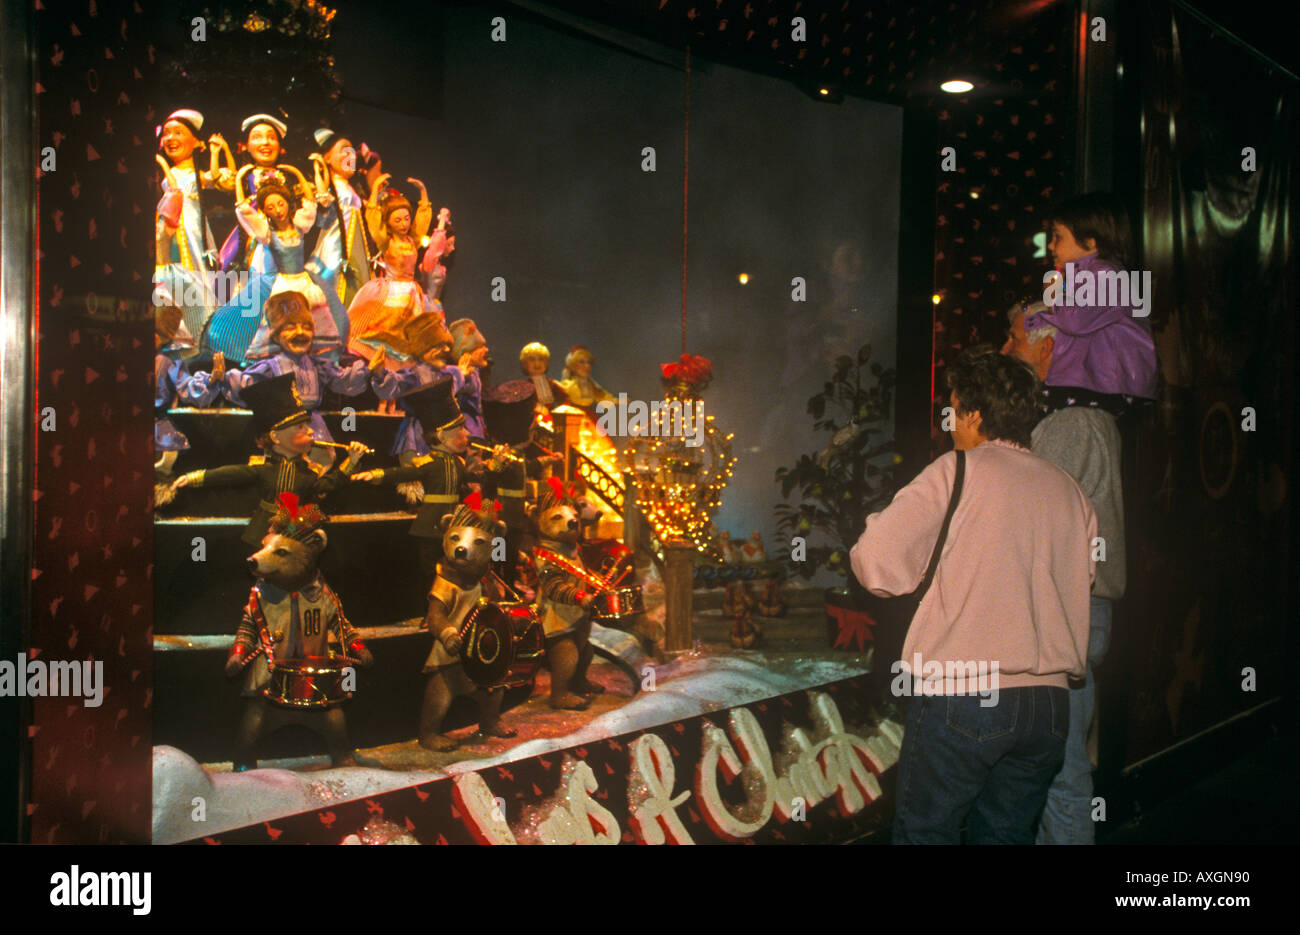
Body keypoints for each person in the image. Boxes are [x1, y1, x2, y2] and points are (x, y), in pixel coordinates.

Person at [850, 347, 1096, 844]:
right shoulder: (1069, 489)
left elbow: (874, 564)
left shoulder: (957, 469)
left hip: (963, 696)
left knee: (926, 835)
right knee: (1006, 838)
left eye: (954, 407)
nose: (950, 421)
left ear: (975, 413)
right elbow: (1080, 581)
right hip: (1049, 707)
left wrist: (880, 522)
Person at [1003, 301, 1125, 845]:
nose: (1007, 350)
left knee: (1060, 774)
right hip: (1076, 611)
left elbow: (1029, 520)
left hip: (1066, 613)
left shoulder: (1069, 423)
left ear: (1049, 347)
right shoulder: (1086, 416)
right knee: (1056, 767)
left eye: (1014, 339)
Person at [1026, 193, 1157, 408]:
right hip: (1092, 385)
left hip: (1112, 387)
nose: (1050, 246)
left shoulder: (1106, 274)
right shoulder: (1085, 275)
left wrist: (1055, 295)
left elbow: (1075, 321)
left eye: (1058, 236)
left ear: (1090, 241)